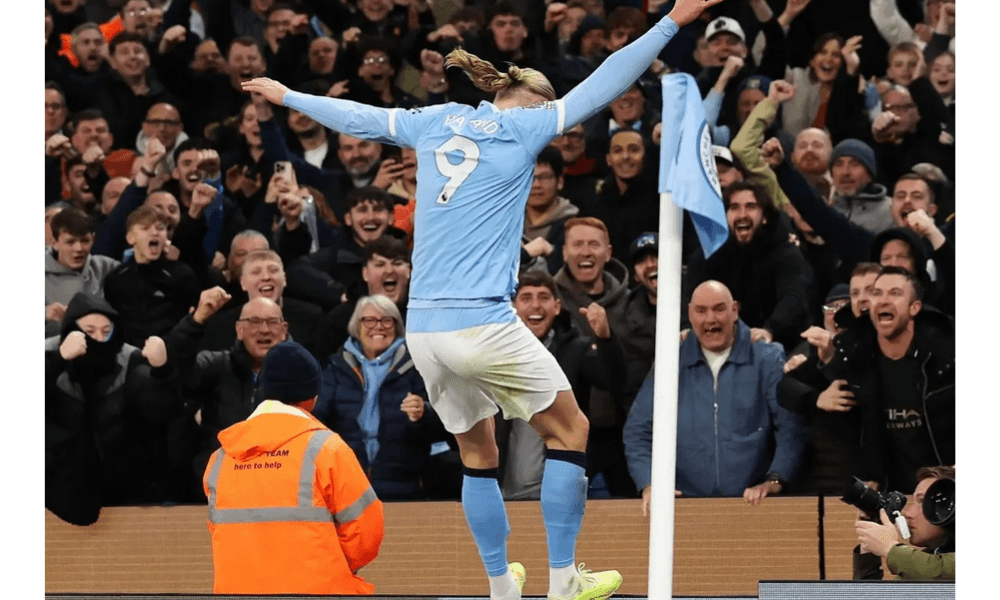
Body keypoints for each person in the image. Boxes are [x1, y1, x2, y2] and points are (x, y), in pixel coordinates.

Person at [242, 2, 725, 598]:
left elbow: (360, 117)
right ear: (537, 100)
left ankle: (500, 584)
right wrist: (672, 20)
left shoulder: (438, 118)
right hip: (482, 321)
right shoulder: (528, 126)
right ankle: (564, 578)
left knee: (477, 452)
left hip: (422, 328)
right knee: (570, 431)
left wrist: (288, 96)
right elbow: (608, 79)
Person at [203, 340, 385, 595]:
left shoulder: (221, 458)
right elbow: (366, 535)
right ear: (312, 399)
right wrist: (328, 563)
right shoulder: (327, 450)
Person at [623, 281, 806, 510]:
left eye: (719, 309)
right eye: (701, 311)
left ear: (735, 310)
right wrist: (649, 484)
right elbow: (637, 431)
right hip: (684, 506)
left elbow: (790, 426)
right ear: (690, 314)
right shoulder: (670, 359)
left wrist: (775, 480)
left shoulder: (767, 357)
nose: (710, 319)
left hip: (753, 506)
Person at [46, 292, 179, 525]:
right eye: (89, 331)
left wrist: (162, 371)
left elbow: (159, 412)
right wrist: (58, 359)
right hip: (53, 478)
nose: (99, 338)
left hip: (121, 477)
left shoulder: (129, 358)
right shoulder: (46, 353)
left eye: (106, 332)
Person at [823, 267, 954, 493]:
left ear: (915, 308)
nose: (883, 300)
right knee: (883, 532)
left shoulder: (948, 355)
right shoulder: (855, 353)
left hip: (947, 490)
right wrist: (817, 397)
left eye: (894, 293)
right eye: (877, 293)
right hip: (889, 494)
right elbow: (787, 388)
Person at [314, 295, 452, 500]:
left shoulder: (419, 367)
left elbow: (447, 423)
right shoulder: (335, 369)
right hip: (348, 485)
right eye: (369, 320)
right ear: (356, 327)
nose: (378, 327)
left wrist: (424, 413)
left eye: (387, 320)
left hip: (405, 486)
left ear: (397, 327)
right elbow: (316, 419)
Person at [504, 271, 626, 500]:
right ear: (513, 307)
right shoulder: (495, 354)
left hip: (557, 495)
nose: (535, 305)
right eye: (526, 297)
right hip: (502, 493)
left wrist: (606, 338)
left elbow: (612, 380)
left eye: (543, 297)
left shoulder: (576, 350)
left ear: (557, 306)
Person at [854, 465, 955, 580]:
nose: (907, 513)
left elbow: (935, 569)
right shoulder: (916, 566)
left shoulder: (923, 567)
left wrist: (888, 547)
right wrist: (868, 546)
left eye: (922, 501)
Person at [45, 208, 121, 337]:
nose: (79, 248)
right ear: (54, 243)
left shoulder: (106, 266)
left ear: (93, 239)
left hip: (98, 347)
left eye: (85, 241)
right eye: (70, 242)